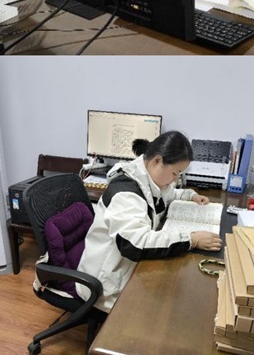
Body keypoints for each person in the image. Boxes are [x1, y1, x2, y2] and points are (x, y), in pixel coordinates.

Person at [77, 130, 222, 312]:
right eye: (175, 173)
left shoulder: (147, 178)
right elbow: (136, 244)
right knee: (168, 307)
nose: (175, 179)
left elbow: (167, 194)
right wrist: (191, 239)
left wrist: (190, 195)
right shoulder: (126, 194)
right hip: (106, 283)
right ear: (157, 161)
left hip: (126, 267)